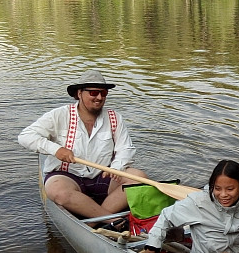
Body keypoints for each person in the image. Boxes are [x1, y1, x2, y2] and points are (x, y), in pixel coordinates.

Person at [18, 70, 146, 219]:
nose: (99, 98)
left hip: (103, 176)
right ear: (79, 93)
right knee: (58, 192)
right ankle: (111, 219)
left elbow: (125, 149)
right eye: (93, 93)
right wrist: (56, 149)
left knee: (139, 177)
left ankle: (94, 220)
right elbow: (25, 136)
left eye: (103, 93)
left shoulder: (114, 118)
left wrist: (117, 168)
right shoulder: (59, 115)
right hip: (68, 178)